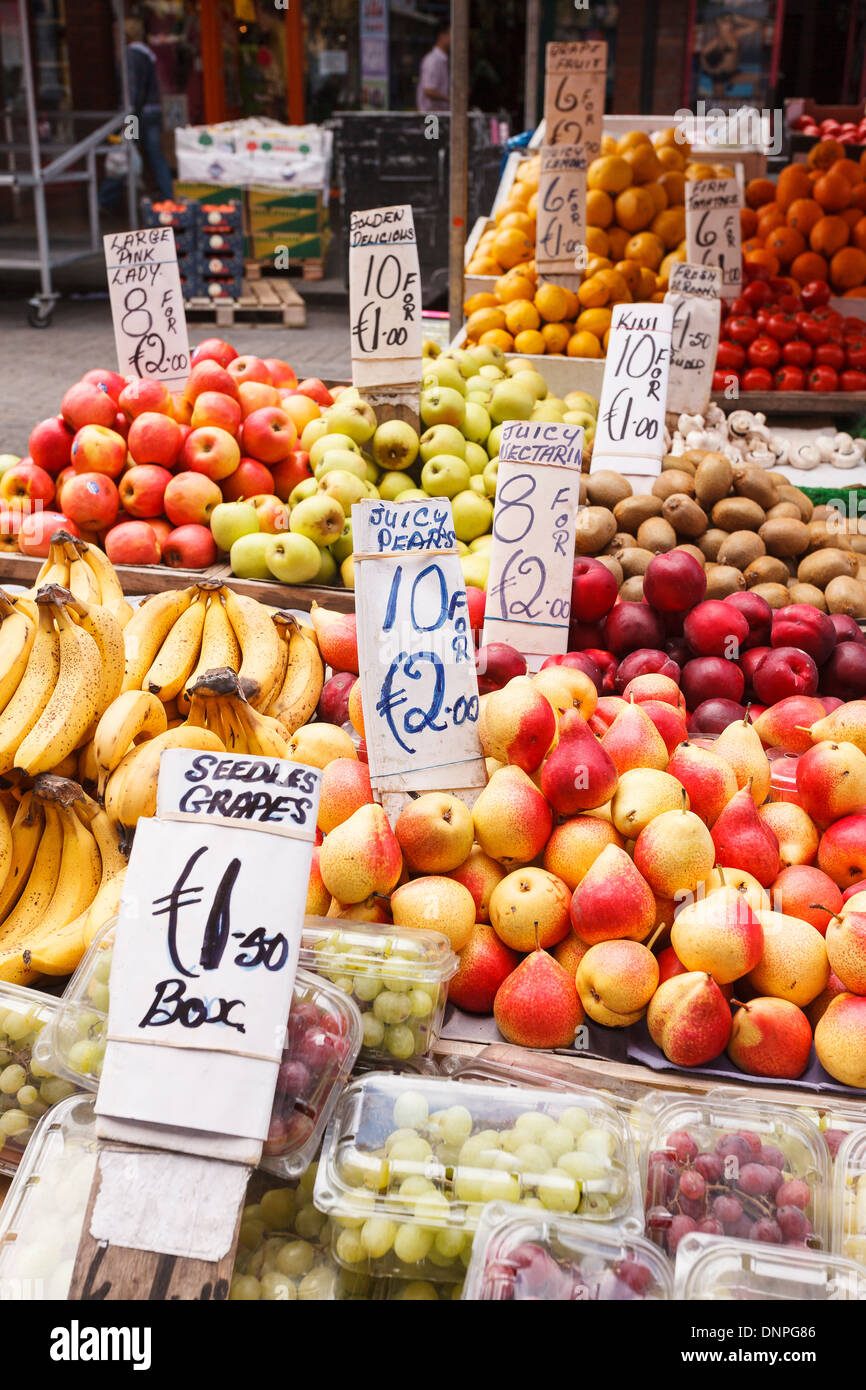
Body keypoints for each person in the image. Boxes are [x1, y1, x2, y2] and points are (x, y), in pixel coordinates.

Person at [100, 16, 173, 212]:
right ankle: (167, 195)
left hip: (135, 114)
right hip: (151, 110)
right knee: (149, 153)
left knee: (122, 152)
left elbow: (132, 89)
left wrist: (127, 118)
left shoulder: (131, 55)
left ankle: (107, 200)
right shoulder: (147, 55)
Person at [416, 29, 450, 113]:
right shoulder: (433, 60)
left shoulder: (444, 60)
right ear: (442, 36)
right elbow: (429, 90)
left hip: (441, 116)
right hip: (431, 118)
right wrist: (450, 99)